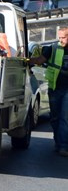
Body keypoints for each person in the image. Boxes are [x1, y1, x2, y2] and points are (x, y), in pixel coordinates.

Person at [29, 26, 68, 156]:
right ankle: (58, 143)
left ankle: (63, 146)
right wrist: (27, 61)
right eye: (60, 37)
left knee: (64, 117)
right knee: (55, 117)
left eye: (63, 37)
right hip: (55, 88)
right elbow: (40, 60)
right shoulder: (53, 48)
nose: (60, 40)